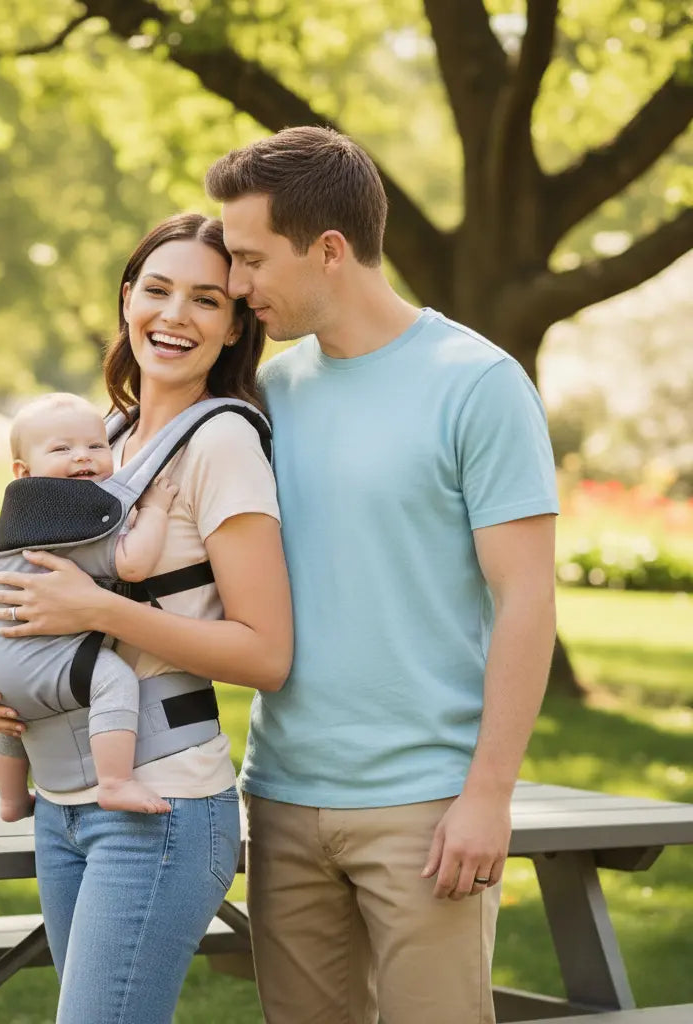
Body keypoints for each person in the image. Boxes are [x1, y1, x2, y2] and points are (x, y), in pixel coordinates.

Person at [199, 126, 558, 1024]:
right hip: (281, 796)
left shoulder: (478, 383)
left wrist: (489, 797)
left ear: (328, 250)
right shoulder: (266, 396)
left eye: (249, 259)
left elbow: (527, 597)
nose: (234, 286)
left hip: (427, 808)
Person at [0, 212, 292, 1024]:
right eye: (159, 289)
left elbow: (266, 654)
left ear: (235, 323)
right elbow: (41, 593)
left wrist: (96, 607)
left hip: (162, 804)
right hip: (64, 801)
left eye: (207, 300)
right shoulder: (98, 439)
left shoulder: (221, 446)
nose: (175, 316)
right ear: (127, 298)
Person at [0, 391, 179, 820]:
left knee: (13, 724)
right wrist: (157, 511)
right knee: (114, 681)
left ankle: (12, 800)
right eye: (62, 449)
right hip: (46, 664)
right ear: (24, 471)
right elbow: (134, 564)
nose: (82, 457)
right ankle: (115, 781)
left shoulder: (22, 519)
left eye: (96, 446)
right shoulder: (77, 519)